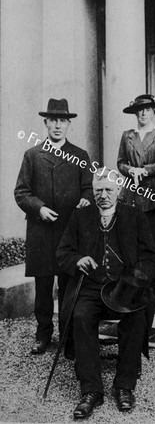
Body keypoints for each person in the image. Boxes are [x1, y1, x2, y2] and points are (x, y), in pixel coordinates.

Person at [56, 168, 155, 418]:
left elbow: (149, 257)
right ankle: (91, 390)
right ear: (92, 191)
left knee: (135, 318)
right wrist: (78, 260)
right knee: (80, 316)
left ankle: (124, 385)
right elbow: (63, 252)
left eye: (109, 190)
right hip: (90, 288)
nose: (103, 195)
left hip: (125, 289)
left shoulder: (134, 216)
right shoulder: (80, 216)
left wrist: (135, 280)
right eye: (98, 190)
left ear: (119, 190)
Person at [14, 98, 92, 355]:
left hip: (70, 234)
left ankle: (68, 337)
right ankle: (43, 334)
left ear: (69, 125)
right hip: (41, 232)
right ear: (45, 124)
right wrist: (39, 208)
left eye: (62, 121)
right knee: (43, 286)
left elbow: (88, 189)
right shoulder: (33, 155)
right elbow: (21, 192)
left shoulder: (80, 156)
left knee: (70, 285)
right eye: (53, 121)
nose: (58, 126)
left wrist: (85, 199)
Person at [117, 94, 155, 299]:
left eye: (148, 110)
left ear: (154, 112)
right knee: (135, 238)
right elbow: (120, 162)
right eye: (140, 110)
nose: (143, 113)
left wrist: (145, 170)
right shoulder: (127, 136)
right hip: (133, 192)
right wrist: (131, 170)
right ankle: (136, 282)